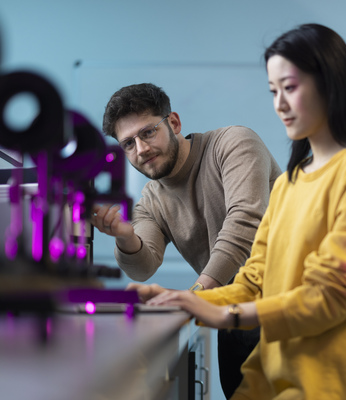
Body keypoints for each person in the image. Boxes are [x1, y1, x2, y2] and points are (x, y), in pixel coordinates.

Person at [135, 24, 346, 399]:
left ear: (330, 84)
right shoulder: (289, 184)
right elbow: (254, 283)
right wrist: (185, 301)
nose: (279, 104)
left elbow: (331, 296)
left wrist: (225, 316)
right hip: (285, 376)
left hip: (345, 382)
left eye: (290, 88)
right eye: (273, 91)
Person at [92, 83, 282, 398]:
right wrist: (125, 236)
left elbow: (244, 224)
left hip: (288, 305)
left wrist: (196, 295)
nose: (141, 150)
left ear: (174, 123)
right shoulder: (151, 199)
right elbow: (143, 267)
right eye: (128, 143)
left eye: (148, 133)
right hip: (233, 316)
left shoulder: (233, 143)